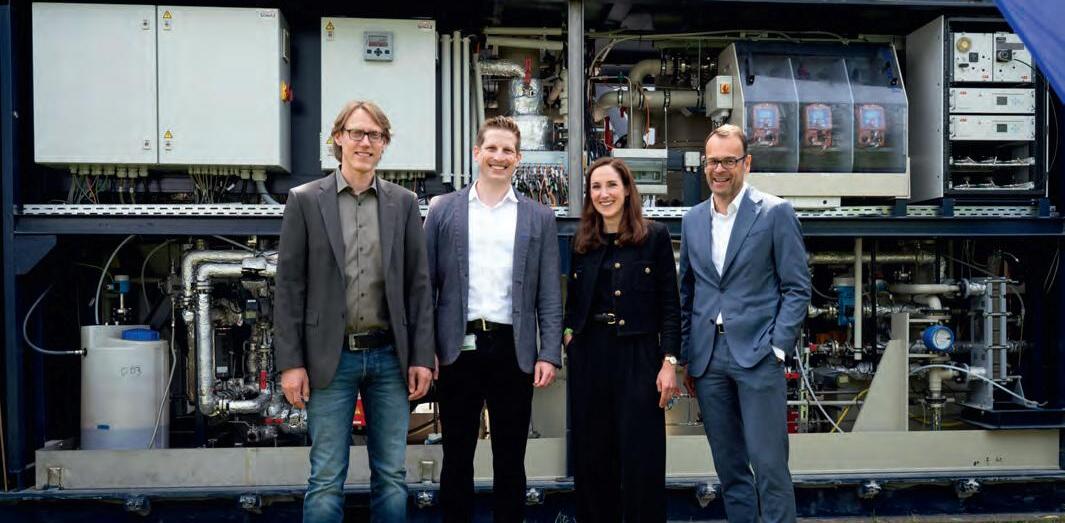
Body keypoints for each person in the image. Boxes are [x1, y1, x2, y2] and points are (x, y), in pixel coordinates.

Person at [273, 100, 435, 523]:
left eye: (374, 135)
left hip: (389, 358)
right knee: (326, 477)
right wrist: (290, 363)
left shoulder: (404, 203)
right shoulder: (305, 201)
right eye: (357, 133)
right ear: (338, 138)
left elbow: (418, 286)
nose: (365, 142)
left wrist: (421, 356)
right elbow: (288, 288)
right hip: (331, 358)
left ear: (384, 144)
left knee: (392, 476)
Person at [424, 115, 563, 522]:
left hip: (512, 349)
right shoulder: (443, 210)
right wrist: (425, 349)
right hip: (457, 347)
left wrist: (548, 353)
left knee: (510, 458)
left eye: (507, 151)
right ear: (476, 153)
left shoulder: (538, 217)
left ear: (518, 158)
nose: (499, 157)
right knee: (456, 456)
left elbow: (548, 293)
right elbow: (426, 286)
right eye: (492, 149)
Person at [678, 124, 811, 523]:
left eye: (728, 161)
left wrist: (778, 346)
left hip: (758, 354)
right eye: (712, 161)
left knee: (769, 467)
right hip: (708, 360)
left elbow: (797, 287)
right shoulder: (692, 220)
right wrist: (686, 356)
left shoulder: (774, 213)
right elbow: (687, 293)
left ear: (746, 163)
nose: (719, 170)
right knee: (731, 470)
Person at [562, 157, 680, 522]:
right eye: (596, 187)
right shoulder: (582, 241)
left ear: (627, 189)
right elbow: (573, 303)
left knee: (642, 459)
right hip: (590, 357)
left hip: (638, 356)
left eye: (611, 185)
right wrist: (569, 336)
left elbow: (670, 305)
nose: (604, 194)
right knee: (592, 459)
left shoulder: (654, 237)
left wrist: (669, 361)